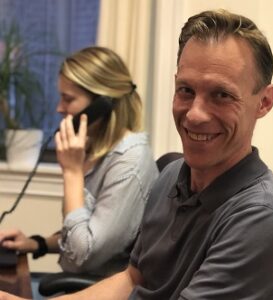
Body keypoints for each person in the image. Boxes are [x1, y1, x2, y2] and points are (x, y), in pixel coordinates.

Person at [0, 8, 273, 300]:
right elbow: (133, 278)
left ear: (264, 102)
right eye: (185, 90)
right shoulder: (171, 175)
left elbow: (86, 254)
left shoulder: (262, 219)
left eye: (221, 95)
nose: (194, 115)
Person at [0, 46, 159, 278]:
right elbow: (84, 232)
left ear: (102, 104)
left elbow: (83, 257)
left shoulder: (130, 163)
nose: (59, 108)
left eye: (68, 99)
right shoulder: (97, 151)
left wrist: (72, 173)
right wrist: (37, 244)